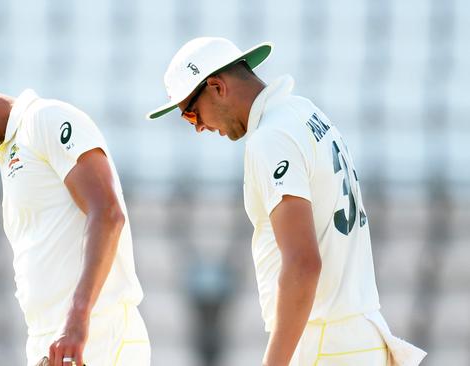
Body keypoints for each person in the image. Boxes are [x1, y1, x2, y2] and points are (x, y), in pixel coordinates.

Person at [147, 37, 426, 366]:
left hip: (326, 343)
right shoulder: (305, 112)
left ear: (217, 86)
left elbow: (303, 265)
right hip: (360, 334)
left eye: (192, 115)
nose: (199, 128)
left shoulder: (271, 137)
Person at [0, 51, 150, 366]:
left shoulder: (44, 119)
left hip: (100, 343)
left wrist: (77, 320)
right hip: (55, 350)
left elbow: (107, 212)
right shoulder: (9, 155)